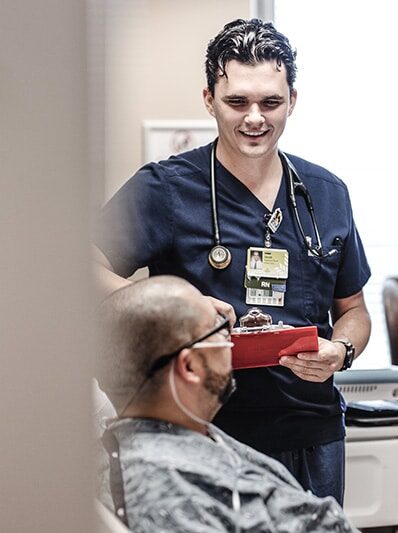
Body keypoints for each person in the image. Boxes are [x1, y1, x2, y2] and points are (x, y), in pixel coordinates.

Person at [93, 19, 371, 504]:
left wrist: (341, 352)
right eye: (237, 102)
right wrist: (176, 303)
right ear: (209, 100)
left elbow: (354, 310)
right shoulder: (166, 189)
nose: (254, 118)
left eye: (270, 102)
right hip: (198, 432)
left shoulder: (326, 194)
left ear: (293, 101)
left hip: (311, 432)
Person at [95, 276, 356, 532]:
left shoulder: (181, 441)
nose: (230, 345)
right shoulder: (170, 491)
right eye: (220, 333)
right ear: (190, 366)